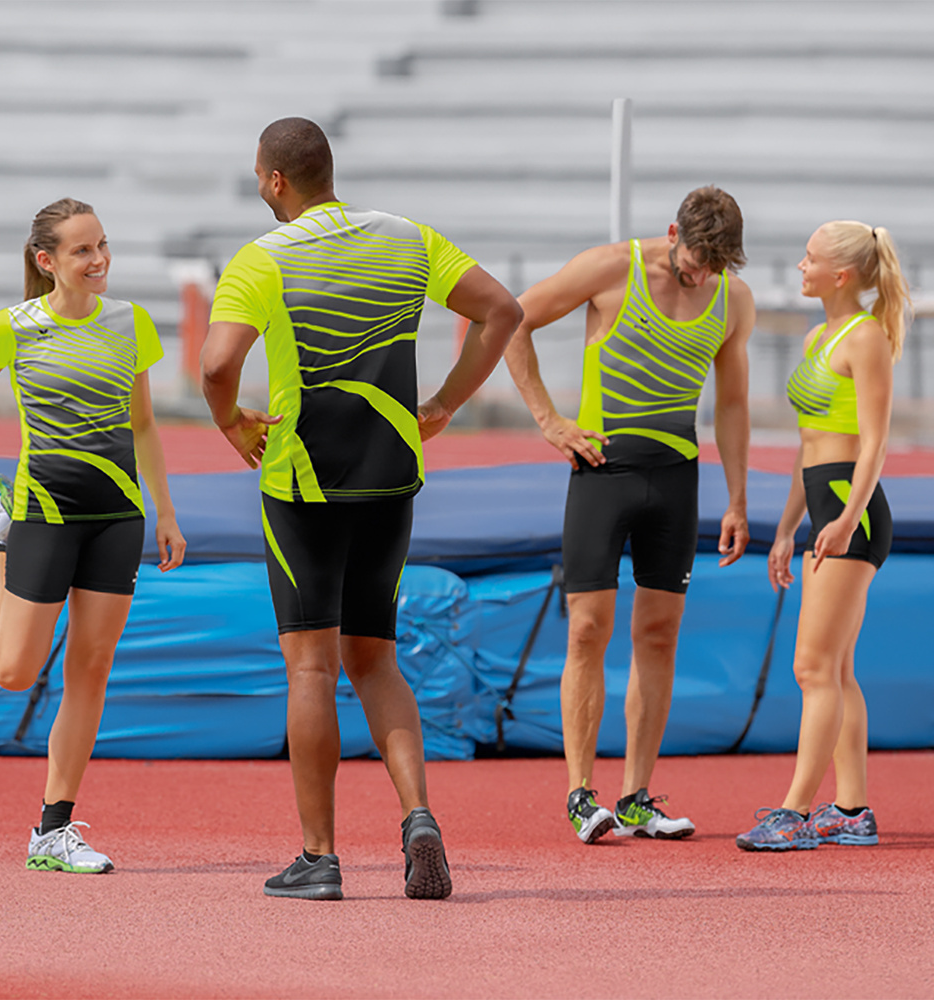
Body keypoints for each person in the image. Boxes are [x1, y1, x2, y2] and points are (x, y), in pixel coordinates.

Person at [201, 117, 522, 900]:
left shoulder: (263, 258)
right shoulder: (409, 238)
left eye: (257, 176)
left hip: (304, 485)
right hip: (390, 480)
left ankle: (319, 858)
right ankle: (418, 817)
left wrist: (234, 422)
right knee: (376, 657)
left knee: (310, 665)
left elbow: (215, 365)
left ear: (276, 180)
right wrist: (444, 402)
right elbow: (503, 312)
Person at [505, 187, 754, 843]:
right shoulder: (612, 268)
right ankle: (582, 795)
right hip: (603, 470)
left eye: (715, 267)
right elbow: (510, 320)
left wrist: (736, 496)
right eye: (695, 261)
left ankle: (637, 796)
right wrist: (549, 421)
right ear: (672, 232)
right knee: (588, 627)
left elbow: (731, 404)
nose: (701, 277)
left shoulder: (734, 299)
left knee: (659, 634)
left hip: (677, 476)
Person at [0, 198, 186, 873]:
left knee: (91, 665)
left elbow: (142, 424)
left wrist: (165, 511)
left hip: (117, 516)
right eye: (83, 250)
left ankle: (53, 830)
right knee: (14, 671)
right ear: (47, 261)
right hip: (44, 515)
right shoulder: (16, 327)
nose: (100, 259)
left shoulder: (129, 323)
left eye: (104, 245)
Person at [736, 221, 909, 852]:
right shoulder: (818, 335)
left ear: (841, 276)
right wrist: (787, 529)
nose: (799, 267)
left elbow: (875, 444)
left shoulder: (866, 339)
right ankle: (852, 810)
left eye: (809, 260)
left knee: (810, 666)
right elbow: (809, 447)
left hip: (852, 514)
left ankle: (795, 812)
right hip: (822, 505)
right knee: (834, 669)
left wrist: (841, 519)